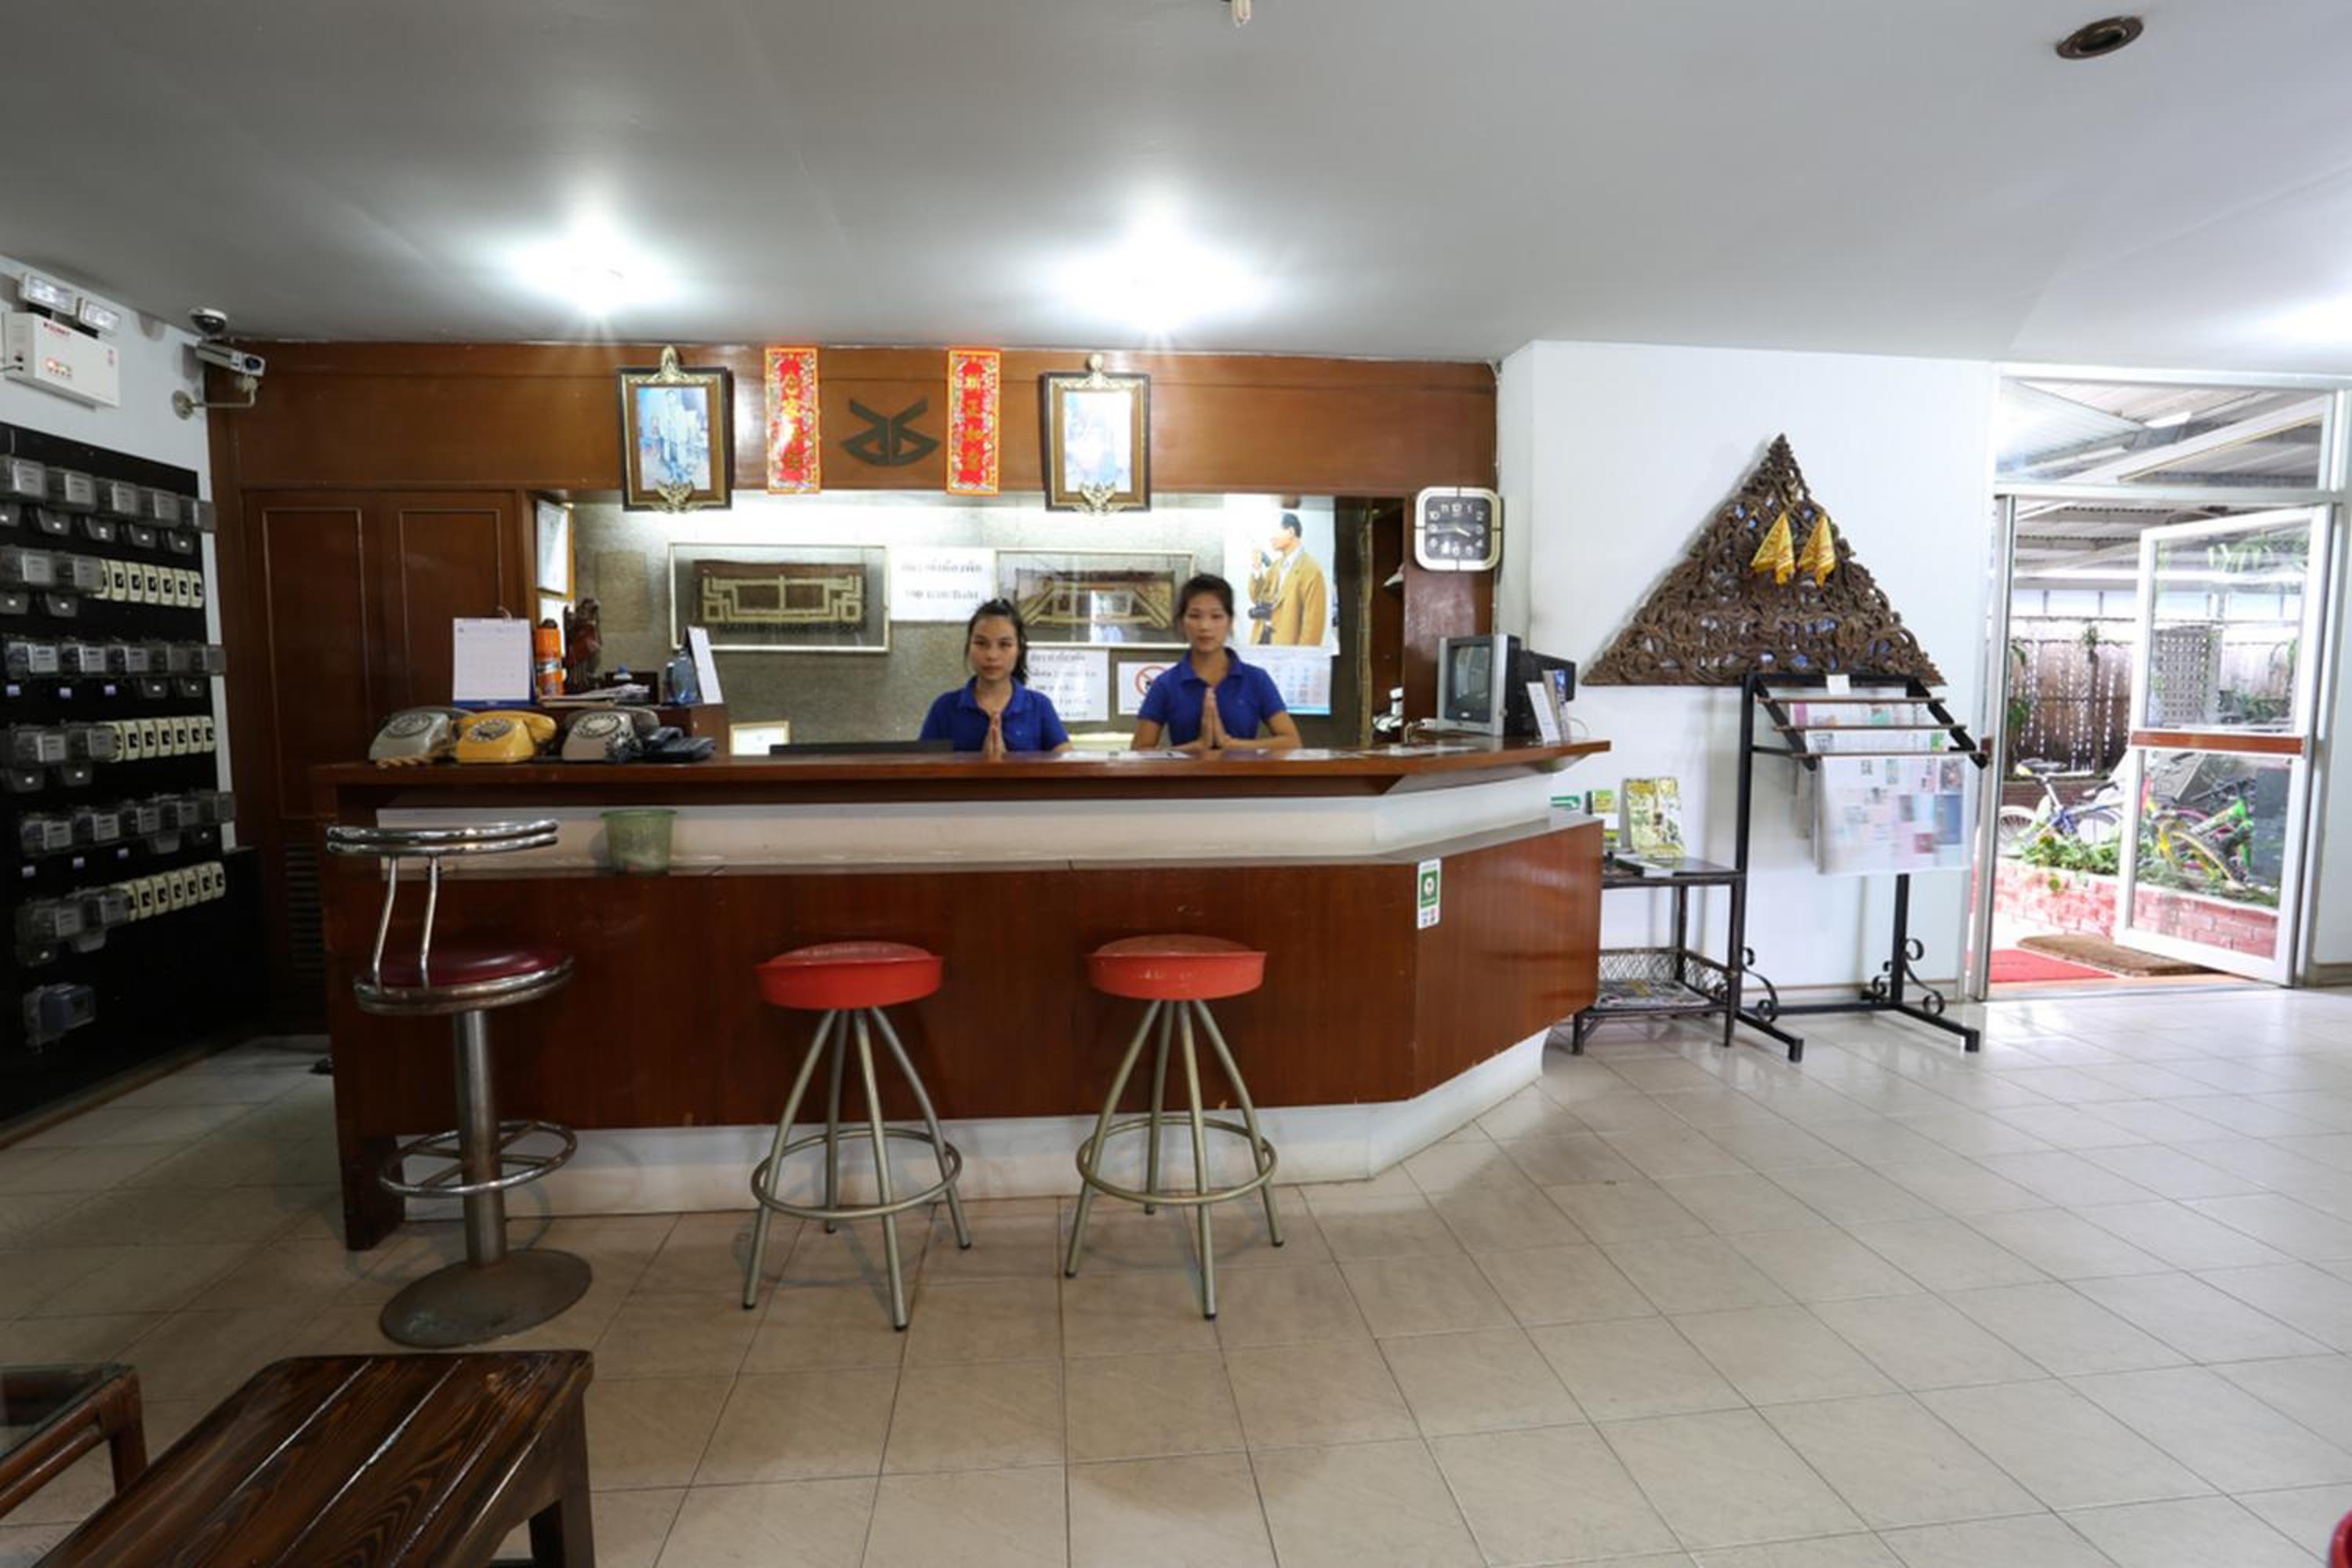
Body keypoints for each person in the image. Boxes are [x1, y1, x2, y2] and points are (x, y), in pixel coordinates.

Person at [1131, 574, 1303, 753]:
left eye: (1216, 616)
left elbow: (1292, 742)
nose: (1205, 626)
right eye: (1195, 616)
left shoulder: (1256, 679)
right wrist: (1195, 747)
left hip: (1243, 772)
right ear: (1181, 622)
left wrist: (1231, 745)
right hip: (1186, 773)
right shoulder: (1166, 684)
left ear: (1230, 622)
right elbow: (1139, 750)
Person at [919, 599, 1073, 757]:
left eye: (1004, 644)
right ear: (968, 646)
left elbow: (1068, 765)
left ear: (1019, 649)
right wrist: (980, 764)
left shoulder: (1039, 706)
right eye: (981, 643)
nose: (992, 655)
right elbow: (922, 766)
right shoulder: (944, 708)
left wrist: (1007, 765)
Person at [1247, 511, 1328, 647]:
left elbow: (1313, 627)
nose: (1271, 537)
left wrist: (1301, 657)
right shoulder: (1275, 567)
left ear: (1291, 532)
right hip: (1261, 645)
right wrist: (1256, 568)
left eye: (1275, 531)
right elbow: (1258, 599)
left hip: (1287, 651)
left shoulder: (1312, 571)